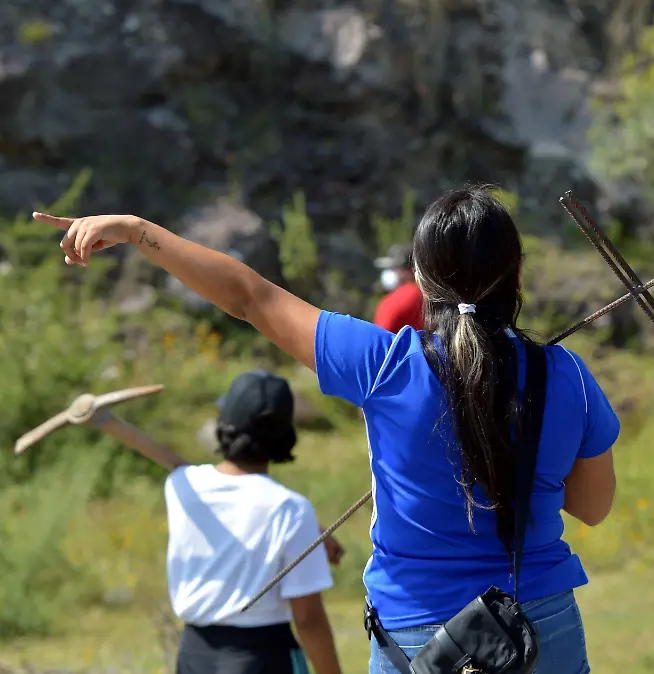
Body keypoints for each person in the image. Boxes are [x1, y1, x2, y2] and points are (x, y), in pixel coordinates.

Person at [34, 186, 620, 674]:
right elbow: (592, 507)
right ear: (516, 271)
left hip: (422, 642)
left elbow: (249, 297)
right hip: (540, 630)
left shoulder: (383, 365)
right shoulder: (565, 374)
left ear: (419, 278)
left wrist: (137, 230)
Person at [89, 369, 345, 674]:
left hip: (194, 657)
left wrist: (105, 421)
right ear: (286, 436)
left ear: (222, 426)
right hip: (262, 659)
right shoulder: (291, 509)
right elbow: (308, 619)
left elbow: (202, 480)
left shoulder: (182, 484)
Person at [371, 243, 424, 332]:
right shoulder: (434, 293)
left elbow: (380, 338)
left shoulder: (392, 301)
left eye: (394, 268)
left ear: (408, 269)